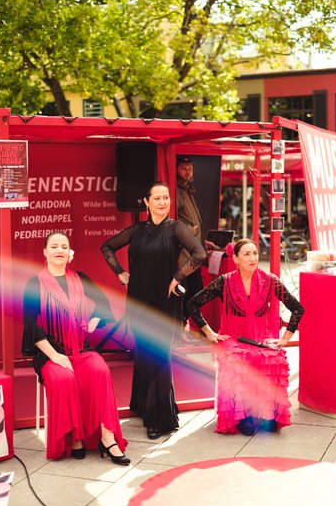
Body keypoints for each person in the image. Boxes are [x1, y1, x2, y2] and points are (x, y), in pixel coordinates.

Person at [101, 182, 206, 440]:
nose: (162, 202)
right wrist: (121, 274)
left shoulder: (176, 228)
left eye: (166, 198)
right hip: (138, 299)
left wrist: (178, 277)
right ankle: (143, 405)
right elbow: (107, 247)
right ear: (146, 202)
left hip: (164, 299)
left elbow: (199, 253)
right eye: (157, 198)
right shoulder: (137, 231)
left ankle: (158, 416)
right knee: (144, 353)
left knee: (158, 355)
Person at [22, 231, 130, 465]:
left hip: (82, 349)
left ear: (69, 252)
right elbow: (31, 325)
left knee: (100, 371)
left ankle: (107, 437)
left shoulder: (80, 278)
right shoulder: (35, 282)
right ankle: (74, 438)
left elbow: (102, 302)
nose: (59, 250)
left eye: (63, 246)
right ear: (45, 252)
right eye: (54, 246)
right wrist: (55, 356)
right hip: (50, 352)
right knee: (63, 378)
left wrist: (92, 322)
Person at [187, 238, 304, 436]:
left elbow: (297, 308)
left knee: (273, 357)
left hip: (261, 337)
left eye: (255, 253)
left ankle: (265, 411)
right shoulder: (224, 282)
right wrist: (210, 333)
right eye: (246, 254)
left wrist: (285, 339)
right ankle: (244, 416)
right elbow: (192, 303)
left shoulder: (269, 280)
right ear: (235, 258)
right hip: (233, 337)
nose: (252, 258)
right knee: (238, 358)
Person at [176, 157, 215, 331]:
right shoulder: (175, 189)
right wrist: (189, 232)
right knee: (184, 292)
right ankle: (178, 328)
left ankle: (182, 323)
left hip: (193, 250)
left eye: (190, 168)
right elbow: (172, 219)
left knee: (196, 291)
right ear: (175, 169)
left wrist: (201, 241)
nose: (188, 172)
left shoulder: (187, 189)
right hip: (183, 254)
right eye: (184, 168)